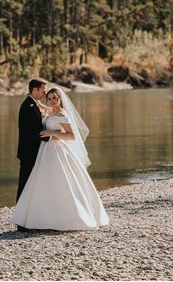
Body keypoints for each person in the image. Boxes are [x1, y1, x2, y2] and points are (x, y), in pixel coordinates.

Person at [11, 85, 109, 231]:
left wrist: (52, 134)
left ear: (59, 99)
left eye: (54, 98)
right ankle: (40, 216)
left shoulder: (62, 114)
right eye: (48, 98)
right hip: (45, 151)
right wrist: (40, 105)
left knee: (60, 182)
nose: (51, 101)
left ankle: (67, 217)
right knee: (42, 182)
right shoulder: (50, 111)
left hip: (57, 149)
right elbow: (47, 110)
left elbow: (71, 136)